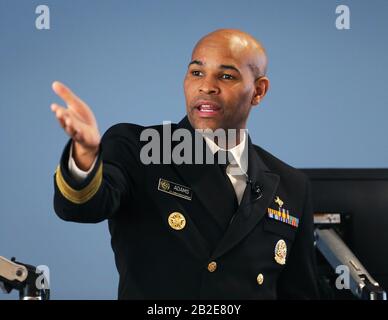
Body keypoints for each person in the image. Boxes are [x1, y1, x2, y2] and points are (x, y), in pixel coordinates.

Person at [51, 29, 319, 299]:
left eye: (226, 76)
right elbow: (83, 207)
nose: (206, 86)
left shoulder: (292, 185)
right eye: (196, 73)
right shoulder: (139, 147)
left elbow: (301, 293)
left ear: (258, 91)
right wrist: (85, 156)